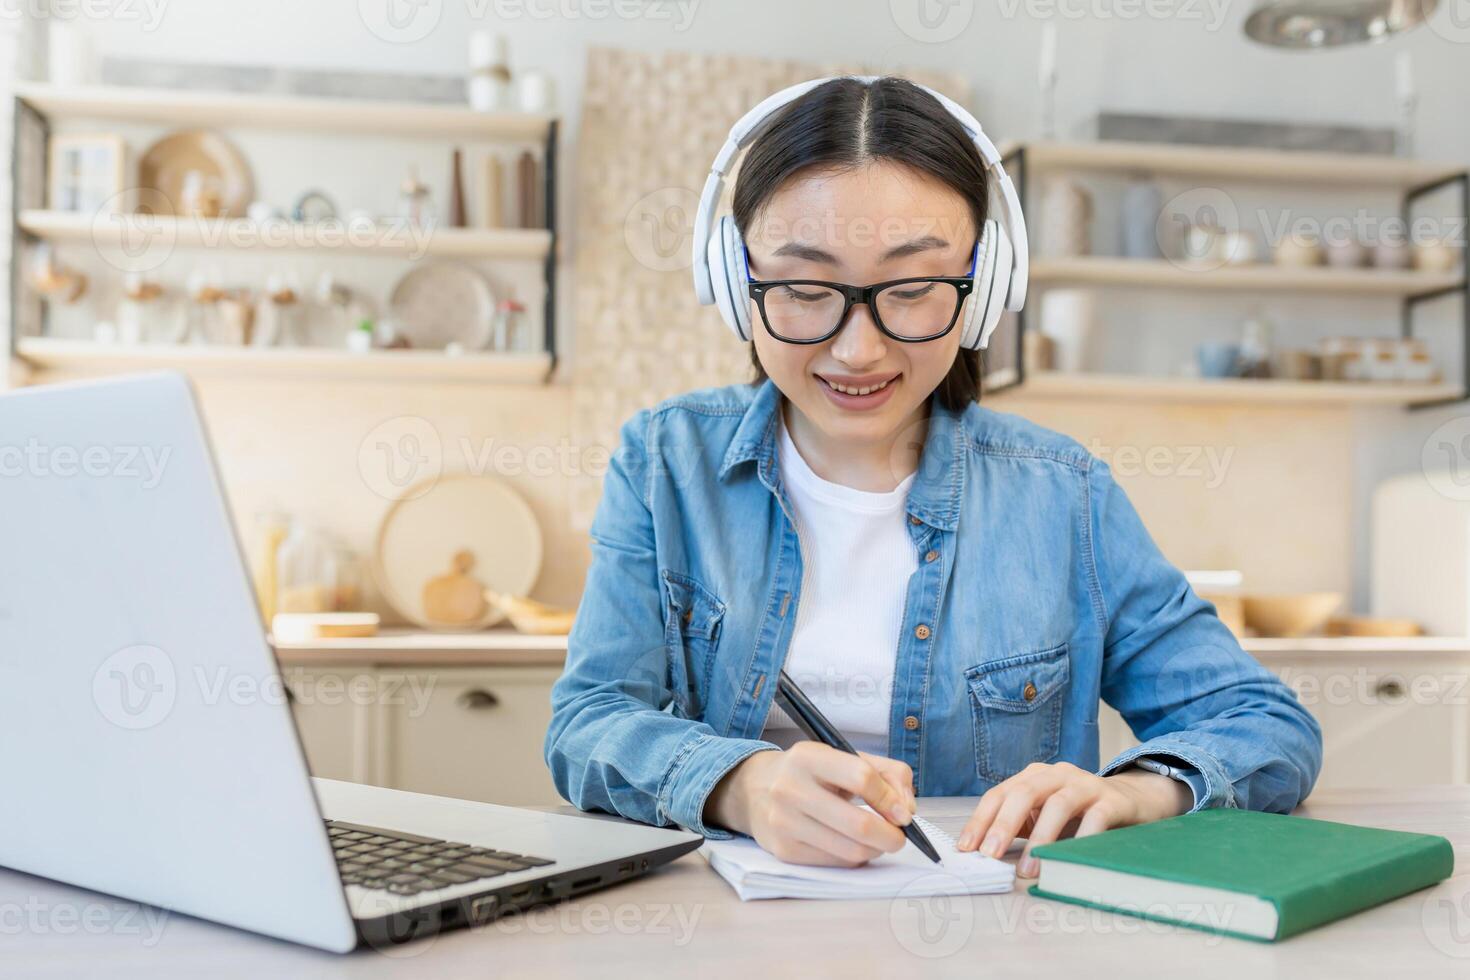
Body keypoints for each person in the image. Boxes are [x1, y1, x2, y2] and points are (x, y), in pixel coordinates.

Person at [544, 75, 1322, 879]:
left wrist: (1142, 791)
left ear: (982, 288)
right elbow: (588, 722)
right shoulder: (665, 464)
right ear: (736, 281)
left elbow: (1265, 723)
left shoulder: (1065, 496)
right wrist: (740, 785)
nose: (858, 350)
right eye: (806, 289)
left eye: (913, 290)